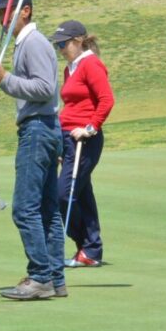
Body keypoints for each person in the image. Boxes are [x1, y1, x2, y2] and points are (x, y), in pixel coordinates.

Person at [0, 0, 66, 300]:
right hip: (43, 129)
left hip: (37, 129)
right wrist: (4, 79)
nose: (1, 20)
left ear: (26, 11)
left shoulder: (33, 43)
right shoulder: (26, 43)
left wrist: (5, 80)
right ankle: (55, 278)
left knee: (24, 209)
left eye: (6, 13)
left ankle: (40, 277)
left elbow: (45, 88)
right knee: (47, 210)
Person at [50, 20, 115, 268]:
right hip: (67, 139)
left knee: (63, 195)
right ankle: (91, 250)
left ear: (77, 41)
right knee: (83, 195)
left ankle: (84, 244)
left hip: (84, 141)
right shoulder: (71, 68)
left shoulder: (91, 65)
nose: (60, 49)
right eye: (58, 45)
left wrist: (89, 128)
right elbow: (70, 106)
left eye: (63, 44)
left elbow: (106, 100)